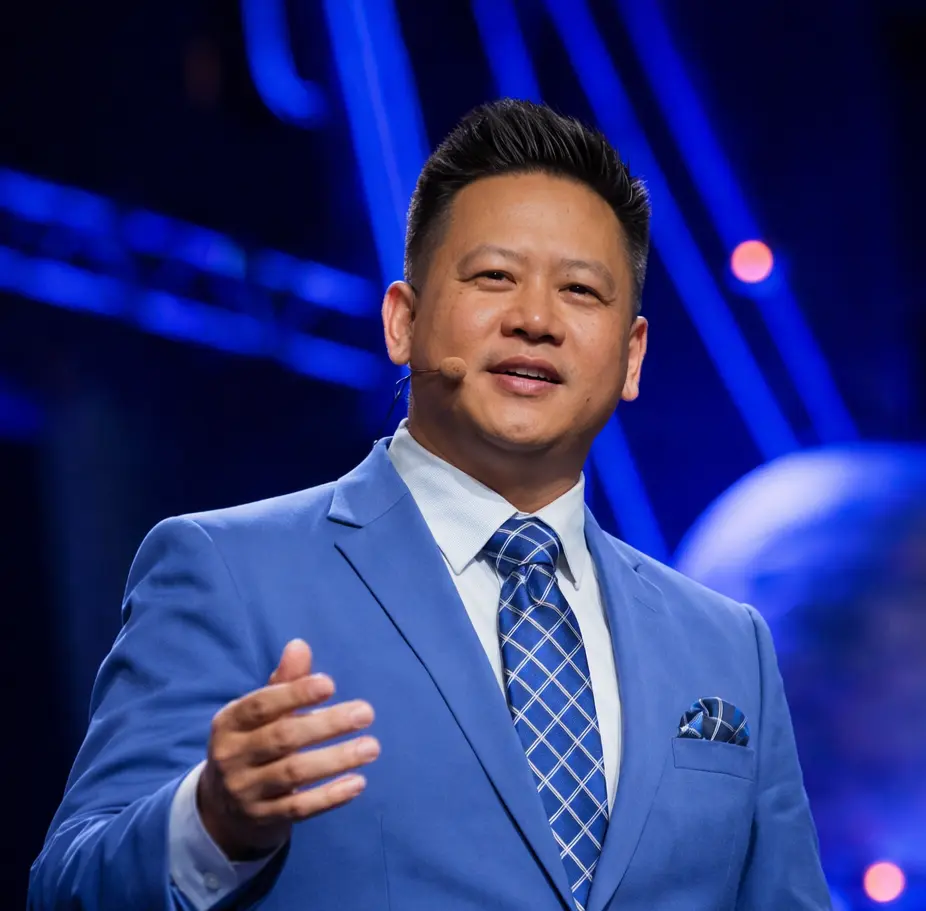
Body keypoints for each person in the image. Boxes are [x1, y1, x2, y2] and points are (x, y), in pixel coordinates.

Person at [29, 100, 831, 911]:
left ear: (631, 357)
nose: (536, 319)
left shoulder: (729, 644)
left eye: (581, 290)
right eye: (494, 277)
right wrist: (210, 822)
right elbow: (66, 891)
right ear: (402, 322)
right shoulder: (225, 570)